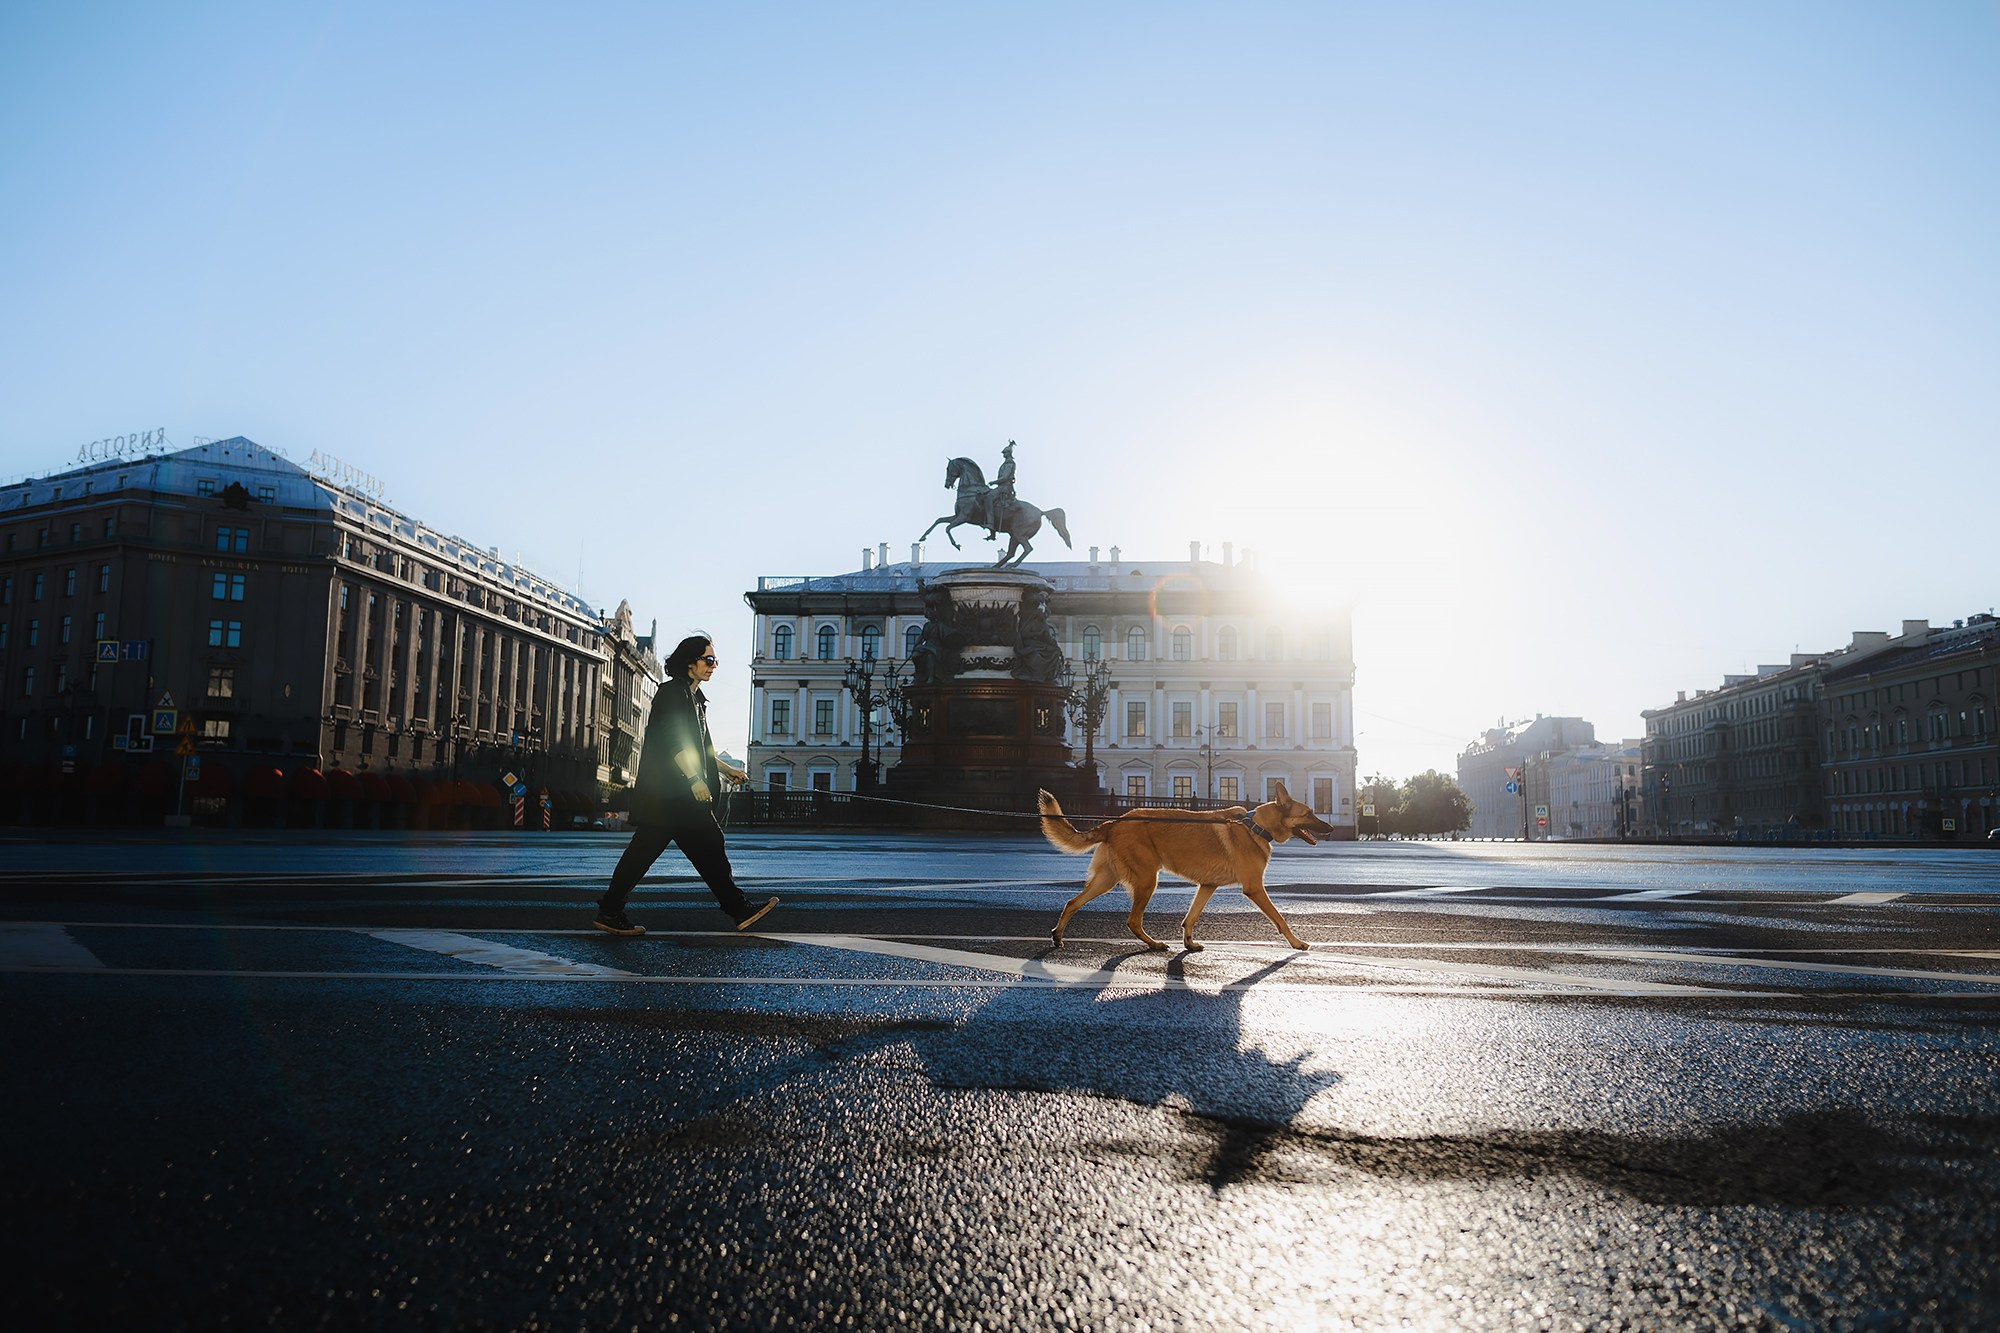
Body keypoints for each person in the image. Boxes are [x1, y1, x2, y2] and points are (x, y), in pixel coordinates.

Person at [594, 634, 777, 936]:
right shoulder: (671, 694)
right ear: (690, 662)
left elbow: (703, 748)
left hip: (674, 797)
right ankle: (738, 909)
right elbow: (672, 740)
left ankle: (611, 910)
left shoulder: (695, 699)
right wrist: (693, 778)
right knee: (700, 847)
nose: (713, 666)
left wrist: (727, 769)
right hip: (671, 794)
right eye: (708, 660)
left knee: (686, 851)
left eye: (715, 661)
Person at [983, 440, 1017, 539]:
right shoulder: (1006, 463)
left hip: (1004, 488)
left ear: (1008, 453)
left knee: (988, 497)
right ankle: (992, 533)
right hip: (1001, 487)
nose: (1003, 455)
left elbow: (1005, 477)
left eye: (1005, 453)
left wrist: (994, 482)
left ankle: (990, 523)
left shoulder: (1010, 464)